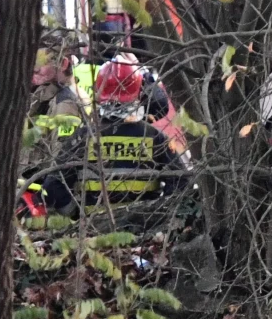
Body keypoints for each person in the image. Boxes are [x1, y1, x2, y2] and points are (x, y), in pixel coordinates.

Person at [41, 59, 187, 215]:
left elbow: (53, 186)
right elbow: (181, 181)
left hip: (94, 233)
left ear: (99, 93)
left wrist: (76, 214)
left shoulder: (83, 138)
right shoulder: (155, 138)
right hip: (144, 229)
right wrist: (160, 217)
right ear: (138, 94)